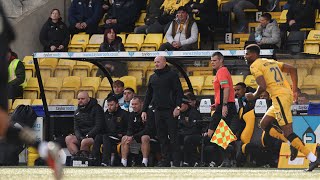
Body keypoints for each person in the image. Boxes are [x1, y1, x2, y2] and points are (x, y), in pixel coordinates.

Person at [244, 44, 320, 171]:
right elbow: (292, 69)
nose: (245, 56)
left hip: (280, 98)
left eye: (247, 54)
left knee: (288, 132)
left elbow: (262, 85)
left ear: (254, 54)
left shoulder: (254, 66)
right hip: (281, 96)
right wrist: (294, 90)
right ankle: (293, 144)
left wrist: (253, 95)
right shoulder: (269, 61)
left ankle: (313, 158)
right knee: (264, 124)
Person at [141, 56, 183, 167]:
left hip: (170, 111)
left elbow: (179, 92)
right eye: (155, 62)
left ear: (164, 62)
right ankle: (165, 160)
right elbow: (148, 95)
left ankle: (176, 161)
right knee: (162, 137)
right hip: (157, 111)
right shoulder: (152, 77)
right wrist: (144, 110)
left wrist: (178, 107)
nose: (156, 64)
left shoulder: (172, 75)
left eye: (158, 62)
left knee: (173, 137)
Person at [209, 52, 239, 167]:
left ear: (221, 60)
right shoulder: (221, 71)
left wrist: (224, 105)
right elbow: (221, 91)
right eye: (211, 60)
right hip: (222, 105)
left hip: (225, 106)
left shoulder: (221, 71)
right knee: (221, 134)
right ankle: (228, 159)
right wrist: (216, 103)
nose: (212, 62)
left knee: (212, 133)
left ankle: (229, 155)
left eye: (215, 60)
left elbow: (226, 89)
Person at [65, 91, 104, 156]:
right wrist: (80, 137)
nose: (80, 101)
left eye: (83, 99)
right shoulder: (77, 112)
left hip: (95, 136)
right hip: (82, 136)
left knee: (84, 141)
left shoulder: (97, 108)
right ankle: (77, 157)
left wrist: (88, 135)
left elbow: (98, 126)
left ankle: (85, 159)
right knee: (68, 139)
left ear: (88, 99)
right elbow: (76, 128)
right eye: (79, 99)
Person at [92, 95, 129, 166]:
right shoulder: (106, 114)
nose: (109, 107)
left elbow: (128, 128)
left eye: (111, 105)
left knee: (105, 137)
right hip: (109, 136)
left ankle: (105, 161)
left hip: (119, 136)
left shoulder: (124, 114)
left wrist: (122, 134)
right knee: (98, 137)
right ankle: (94, 159)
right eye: (108, 105)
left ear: (117, 105)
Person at [120, 97, 154, 167]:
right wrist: (129, 136)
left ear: (142, 104)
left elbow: (148, 129)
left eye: (136, 104)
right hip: (135, 136)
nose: (133, 106)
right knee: (124, 138)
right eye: (132, 104)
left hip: (148, 136)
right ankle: (123, 163)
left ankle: (144, 162)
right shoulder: (131, 114)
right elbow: (129, 128)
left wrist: (134, 137)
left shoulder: (149, 113)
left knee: (144, 137)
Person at [177, 96, 202, 167]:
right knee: (173, 137)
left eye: (180, 105)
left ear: (186, 104)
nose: (179, 107)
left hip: (195, 134)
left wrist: (183, 132)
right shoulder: (179, 113)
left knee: (187, 139)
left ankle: (187, 161)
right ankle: (174, 161)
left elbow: (195, 129)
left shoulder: (194, 113)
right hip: (184, 134)